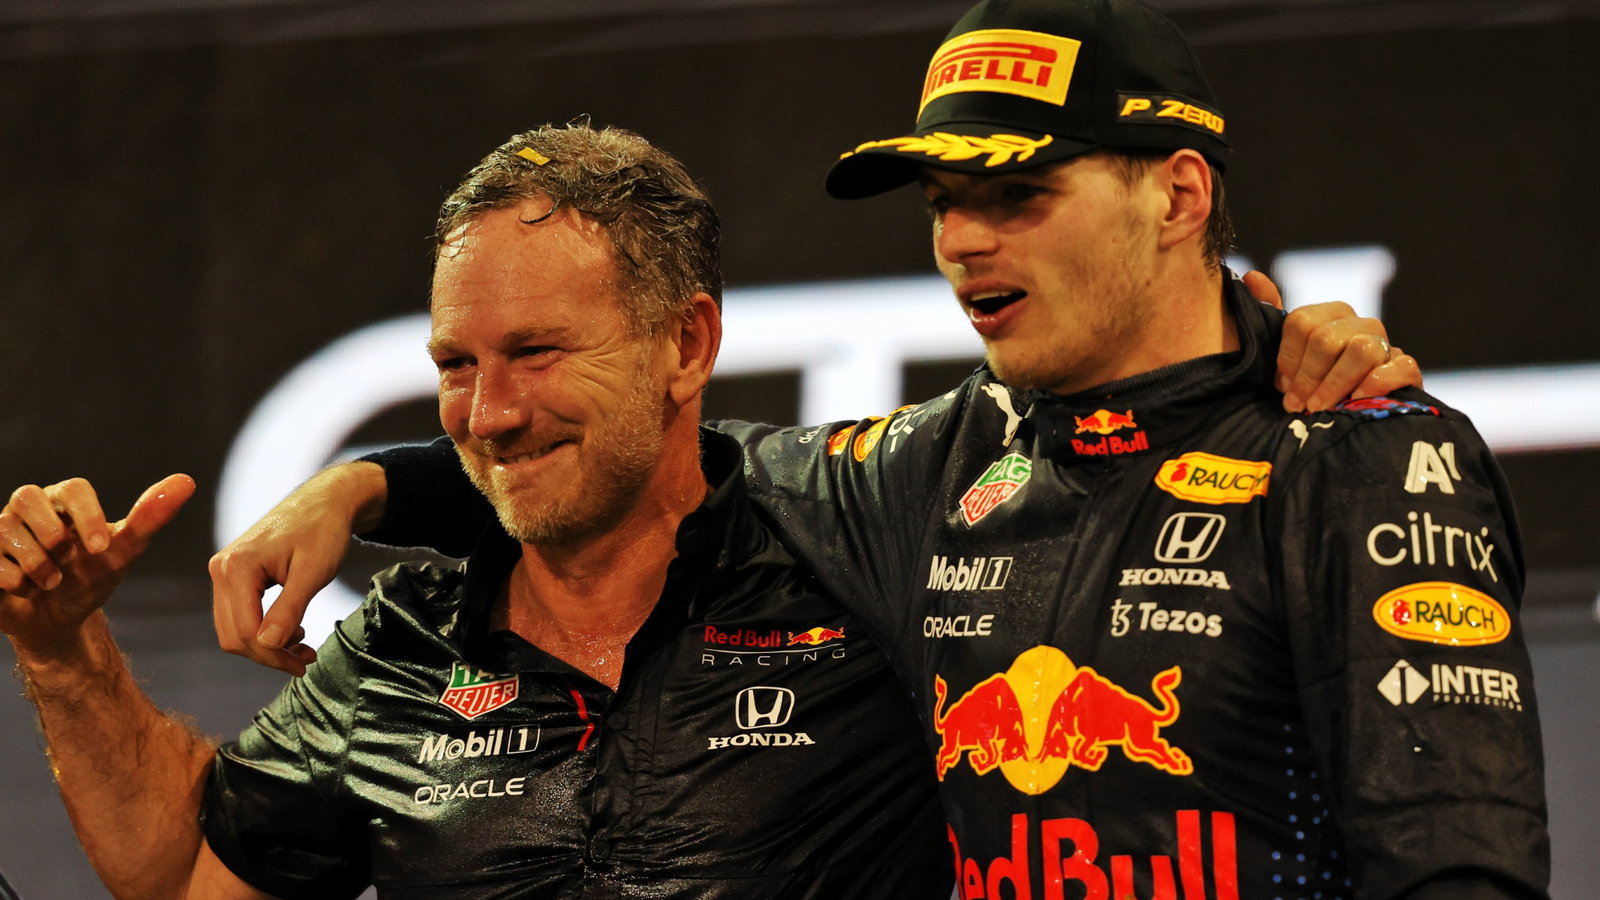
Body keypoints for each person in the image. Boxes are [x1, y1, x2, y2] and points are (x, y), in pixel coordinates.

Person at [200, 1, 1550, 897]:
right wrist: (364, 483)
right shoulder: (918, 472)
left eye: (1018, 192)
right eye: (949, 200)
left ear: (1177, 194)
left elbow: (1459, 867)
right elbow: (638, 447)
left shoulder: (1363, 451)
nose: (967, 240)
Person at [0, 124, 956, 898]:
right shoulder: (399, 643)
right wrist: (62, 652)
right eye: (456, 365)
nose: (488, 413)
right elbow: (187, 878)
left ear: (687, 345)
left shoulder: (851, 564)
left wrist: (368, 483)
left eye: (537, 351)